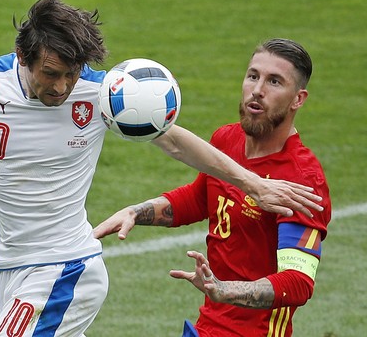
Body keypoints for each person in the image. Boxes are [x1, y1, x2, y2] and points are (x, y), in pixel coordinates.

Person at [0, 0, 322, 336]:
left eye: (72, 74)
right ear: (23, 56)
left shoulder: (104, 93)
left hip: (66, 268)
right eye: (51, 74)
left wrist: (254, 183)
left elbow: (175, 143)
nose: (61, 87)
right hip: (11, 269)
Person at [94, 38, 331, 337]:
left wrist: (225, 291)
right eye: (253, 76)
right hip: (207, 327)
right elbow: (199, 199)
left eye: (274, 82)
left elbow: (298, 283)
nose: (257, 90)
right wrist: (136, 212)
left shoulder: (302, 178)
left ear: (298, 99)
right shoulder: (227, 140)